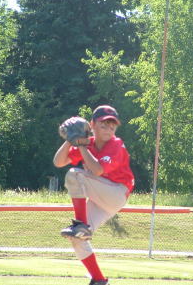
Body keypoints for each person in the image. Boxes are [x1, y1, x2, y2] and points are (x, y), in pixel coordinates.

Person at [53, 105, 134, 285]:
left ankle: (82, 226)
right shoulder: (87, 142)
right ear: (92, 125)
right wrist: (70, 140)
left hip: (117, 192)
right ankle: (99, 280)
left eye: (112, 125)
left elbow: (97, 170)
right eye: (104, 124)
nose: (109, 129)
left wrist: (81, 146)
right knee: (77, 239)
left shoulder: (116, 144)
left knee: (75, 174)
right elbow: (58, 162)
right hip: (101, 198)